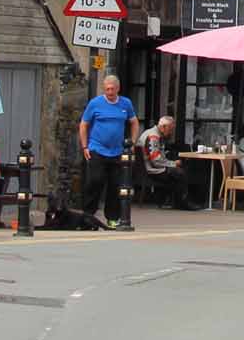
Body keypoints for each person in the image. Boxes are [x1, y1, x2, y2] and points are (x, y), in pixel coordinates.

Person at [78, 73, 139, 229]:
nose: (109, 92)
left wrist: (132, 143)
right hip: (97, 148)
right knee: (95, 181)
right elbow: (84, 124)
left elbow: (134, 122)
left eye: (112, 89)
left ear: (118, 89)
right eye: (106, 90)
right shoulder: (95, 103)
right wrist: (85, 146)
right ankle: (88, 216)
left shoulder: (126, 104)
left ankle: (112, 218)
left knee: (115, 185)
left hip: (117, 151)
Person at [142, 116, 192, 209]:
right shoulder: (154, 137)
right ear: (163, 127)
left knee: (176, 172)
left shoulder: (149, 132)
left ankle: (171, 200)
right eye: (170, 129)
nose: (171, 132)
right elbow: (156, 160)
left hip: (146, 167)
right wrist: (173, 163)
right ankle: (182, 203)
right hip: (153, 170)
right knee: (180, 173)